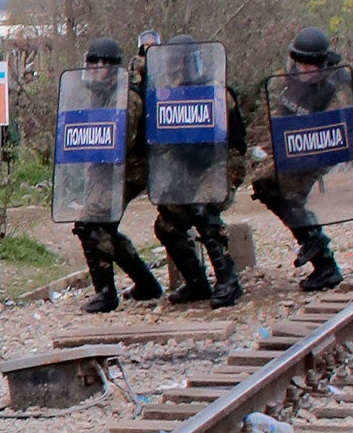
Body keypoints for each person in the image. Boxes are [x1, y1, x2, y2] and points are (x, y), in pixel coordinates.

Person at [148, 35, 249, 308]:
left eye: (181, 64)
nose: (176, 70)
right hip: (190, 168)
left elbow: (236, 144)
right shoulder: (168, 97)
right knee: (167, 222)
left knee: (203, 208)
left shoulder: (217, 92)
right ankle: (196, 282)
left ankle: (228, 280)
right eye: (173, 65)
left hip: (224, 163)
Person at [248, 26, 349, 292]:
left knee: (288, 194)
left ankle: (322, 256)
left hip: (319, 149)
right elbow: (281, 110)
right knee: (265, 186)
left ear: (322, 64)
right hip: (292, 147)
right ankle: (317, 249)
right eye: (300, 64)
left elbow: (339, 128)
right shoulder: (290, 77)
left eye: (310, 66)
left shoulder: (337, 86)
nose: (304, 71)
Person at [68, 36, 163, 313]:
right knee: (101, 226)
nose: (95, 68)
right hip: (105, 167)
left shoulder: (127, 96)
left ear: (113, 66)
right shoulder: (98, 92)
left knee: (92, 222)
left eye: (101, 63)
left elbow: (123, 143)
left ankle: (106, 292)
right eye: (91, 62)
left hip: (130, 168)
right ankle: (146, 283)